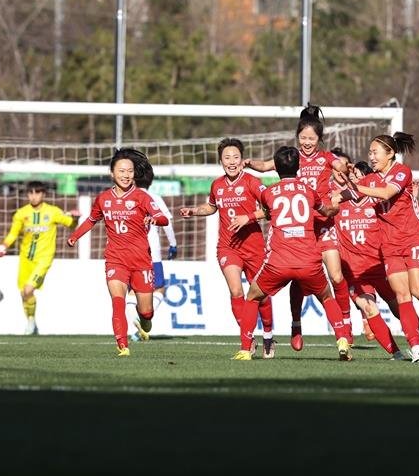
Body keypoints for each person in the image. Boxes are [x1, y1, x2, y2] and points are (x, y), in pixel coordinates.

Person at [345, 132, 419, 362]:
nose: (371, 156)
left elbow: (386, 192)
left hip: (414, 237)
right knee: (402, 295)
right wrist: (325, 203)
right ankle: (416, 348)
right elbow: (347, 194)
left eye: (375, 152)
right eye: (369, 152)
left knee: (418, 291)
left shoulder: (401, 172)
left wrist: (358, 187)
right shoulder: (371, 179)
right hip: (389, 245)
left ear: (390, 154)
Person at [245, 104, 351, 351]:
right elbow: (264, 166)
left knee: (335, 276)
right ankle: (296, 324)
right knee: (299, 278)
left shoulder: (326, 158)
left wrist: (343, 171)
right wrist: (249, 163)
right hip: (300, 228)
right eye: (303, 137)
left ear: (319, 139)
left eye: (311, 138)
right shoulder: (291, 158)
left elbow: (341, 165)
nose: (306, 142)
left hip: (322, 224)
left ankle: (345, 325)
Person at [67, 148, 169, 357]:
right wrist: (75, 236)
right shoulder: (103, 199)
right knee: (117, 301)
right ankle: (122, 345)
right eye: (121, 171)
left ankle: (145, 321)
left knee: (146, 311)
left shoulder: (142, 197)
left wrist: (153, 219)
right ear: (112, 173)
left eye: (130, 171)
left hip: (141, 261)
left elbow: (164, 219)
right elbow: (91, 220)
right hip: (115, 259)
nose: (126, 175)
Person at [180, 138, 275, 358]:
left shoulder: (252, 182)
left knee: (259, 295)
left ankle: (269, 335)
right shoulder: (217, 185)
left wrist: (249, 217)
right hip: (228, 247)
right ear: (221, 160)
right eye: (227, 158)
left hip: (254, 246)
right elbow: (211, 207)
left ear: (242, 160)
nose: (231, 162)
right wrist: (194, 211)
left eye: (235, 157)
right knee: (235, 291)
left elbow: (272, 208)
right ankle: (247, 340)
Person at [333, 158, 419, 359]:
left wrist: (412, 198)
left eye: (360, 178)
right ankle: (396, 354)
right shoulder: (338, 204)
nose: (356, 181)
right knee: (369, 309)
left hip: (380, 267)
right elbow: (324, 204)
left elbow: (401, 214)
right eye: (353, 178)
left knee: (399, 307)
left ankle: (417, 326)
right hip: (355, 274)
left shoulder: (377, 203)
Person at [0, 181, 79, 335]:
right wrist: (4, 245)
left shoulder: (52, 211)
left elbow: (71, 225)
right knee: (24, 294)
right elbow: (13, 233)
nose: (34, 196)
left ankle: (31, 324)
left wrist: (75, 218)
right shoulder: (21, 213)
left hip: (44, 259)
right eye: (31, 193)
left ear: (44, 194)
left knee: (28, 289)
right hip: (25, 259)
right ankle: (31, 322)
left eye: (37, 193)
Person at [127, 157, 178, 342]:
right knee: (159, 290)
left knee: (133, 291)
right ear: (151, 179)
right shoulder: (154, 198)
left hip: (130, 252)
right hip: (152, 253)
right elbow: (167, 223)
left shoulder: (126, 198)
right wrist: (173, 244)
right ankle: (138, 322)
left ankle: (133, 324)